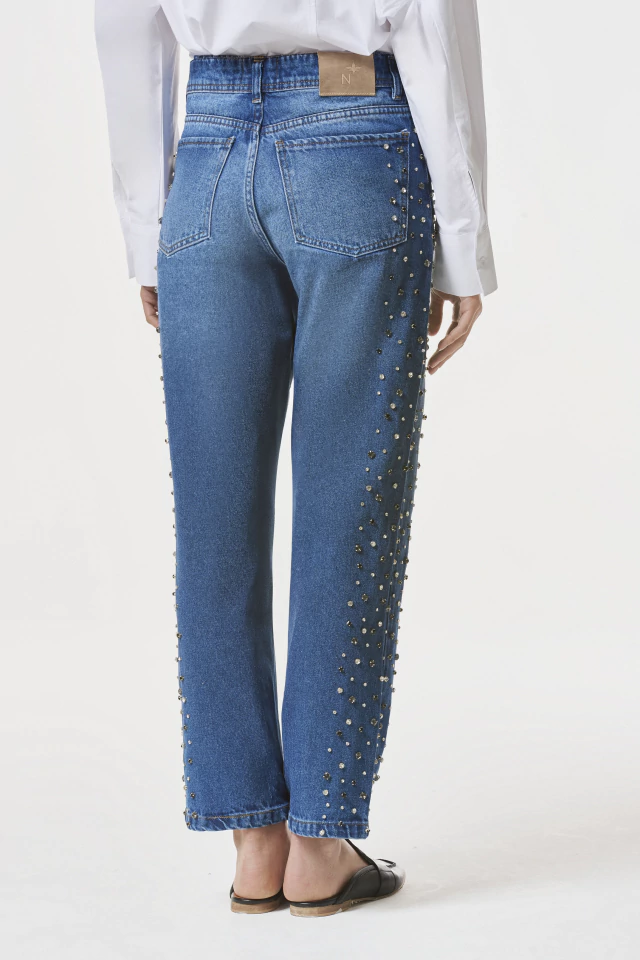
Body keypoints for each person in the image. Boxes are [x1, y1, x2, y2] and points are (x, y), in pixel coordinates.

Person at [94, 0, 497, 917]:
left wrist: (147, 230)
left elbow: (124, 26)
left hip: (206, 152)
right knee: (348, 513)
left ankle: (254, 844)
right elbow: (433, 26)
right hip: (356, 137)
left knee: (214, 524)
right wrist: (463, 242)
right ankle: (320, 844)